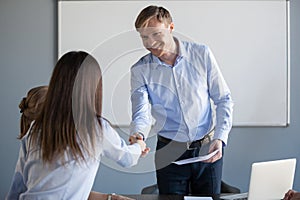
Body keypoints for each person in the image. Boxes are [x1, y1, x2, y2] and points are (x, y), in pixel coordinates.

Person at [6, 51, 149, 200]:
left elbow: (18, 184)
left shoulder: (36, 128)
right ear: (93, 86)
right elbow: (127, 158)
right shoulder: (96, 128)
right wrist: (139, 145)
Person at [129, 5, 234, 196]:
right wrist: (138, 135)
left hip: (207, 148)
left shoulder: (201, 54)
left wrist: (220, 138)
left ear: (170, 28)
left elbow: (223, 99)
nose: (150, 42)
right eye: (144, 37)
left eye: (156, 34)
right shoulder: (140, 70)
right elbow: (141, 112)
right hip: (168, 153)